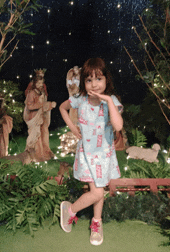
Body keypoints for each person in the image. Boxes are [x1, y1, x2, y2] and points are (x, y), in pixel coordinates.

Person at [59, 58, 123, 246]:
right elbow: (63, 108)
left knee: (99, 190)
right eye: (89, 80)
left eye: (98, 79)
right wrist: (72, 126)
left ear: (106, 81)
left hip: (104, 156)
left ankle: (95, 222)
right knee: (97, 193)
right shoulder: (80, 99)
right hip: (87, 155)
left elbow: (118, 125)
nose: (94, 84)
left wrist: (107, 100)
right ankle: (71, 210)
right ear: (83, 83)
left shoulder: (111, 101)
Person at [23, 75, 56, 162]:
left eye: (41, 83)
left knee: (43, 133)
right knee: (36, 135)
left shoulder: (42, 93)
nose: (41, 85)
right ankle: (36, 155)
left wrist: (49, 105)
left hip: (41, 116)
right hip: (34, 117)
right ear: (34, 84)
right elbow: (29, 107)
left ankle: (44, 153)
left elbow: (44, 105)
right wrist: (42, 105)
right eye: (38, 83)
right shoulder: (31, 93)